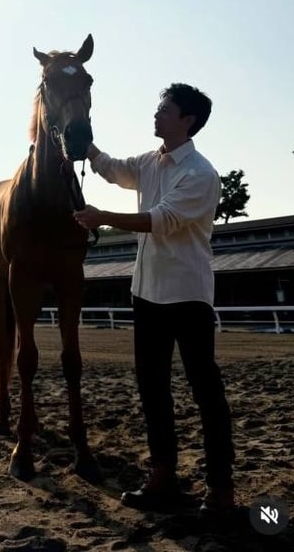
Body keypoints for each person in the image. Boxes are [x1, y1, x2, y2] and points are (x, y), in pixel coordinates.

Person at [73, 83, 235, 515]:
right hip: (146, 295)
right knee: (152, 390)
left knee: (205, 391)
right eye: (158, 109)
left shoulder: (201, 174)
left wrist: (103, 218)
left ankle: (221, 490)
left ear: (188, 120)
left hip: (187, 296)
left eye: (165, 110)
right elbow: (113, 168)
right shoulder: (149, 162)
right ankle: (163, 477)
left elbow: (162, 220)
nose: (156, 116)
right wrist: (84, 144)